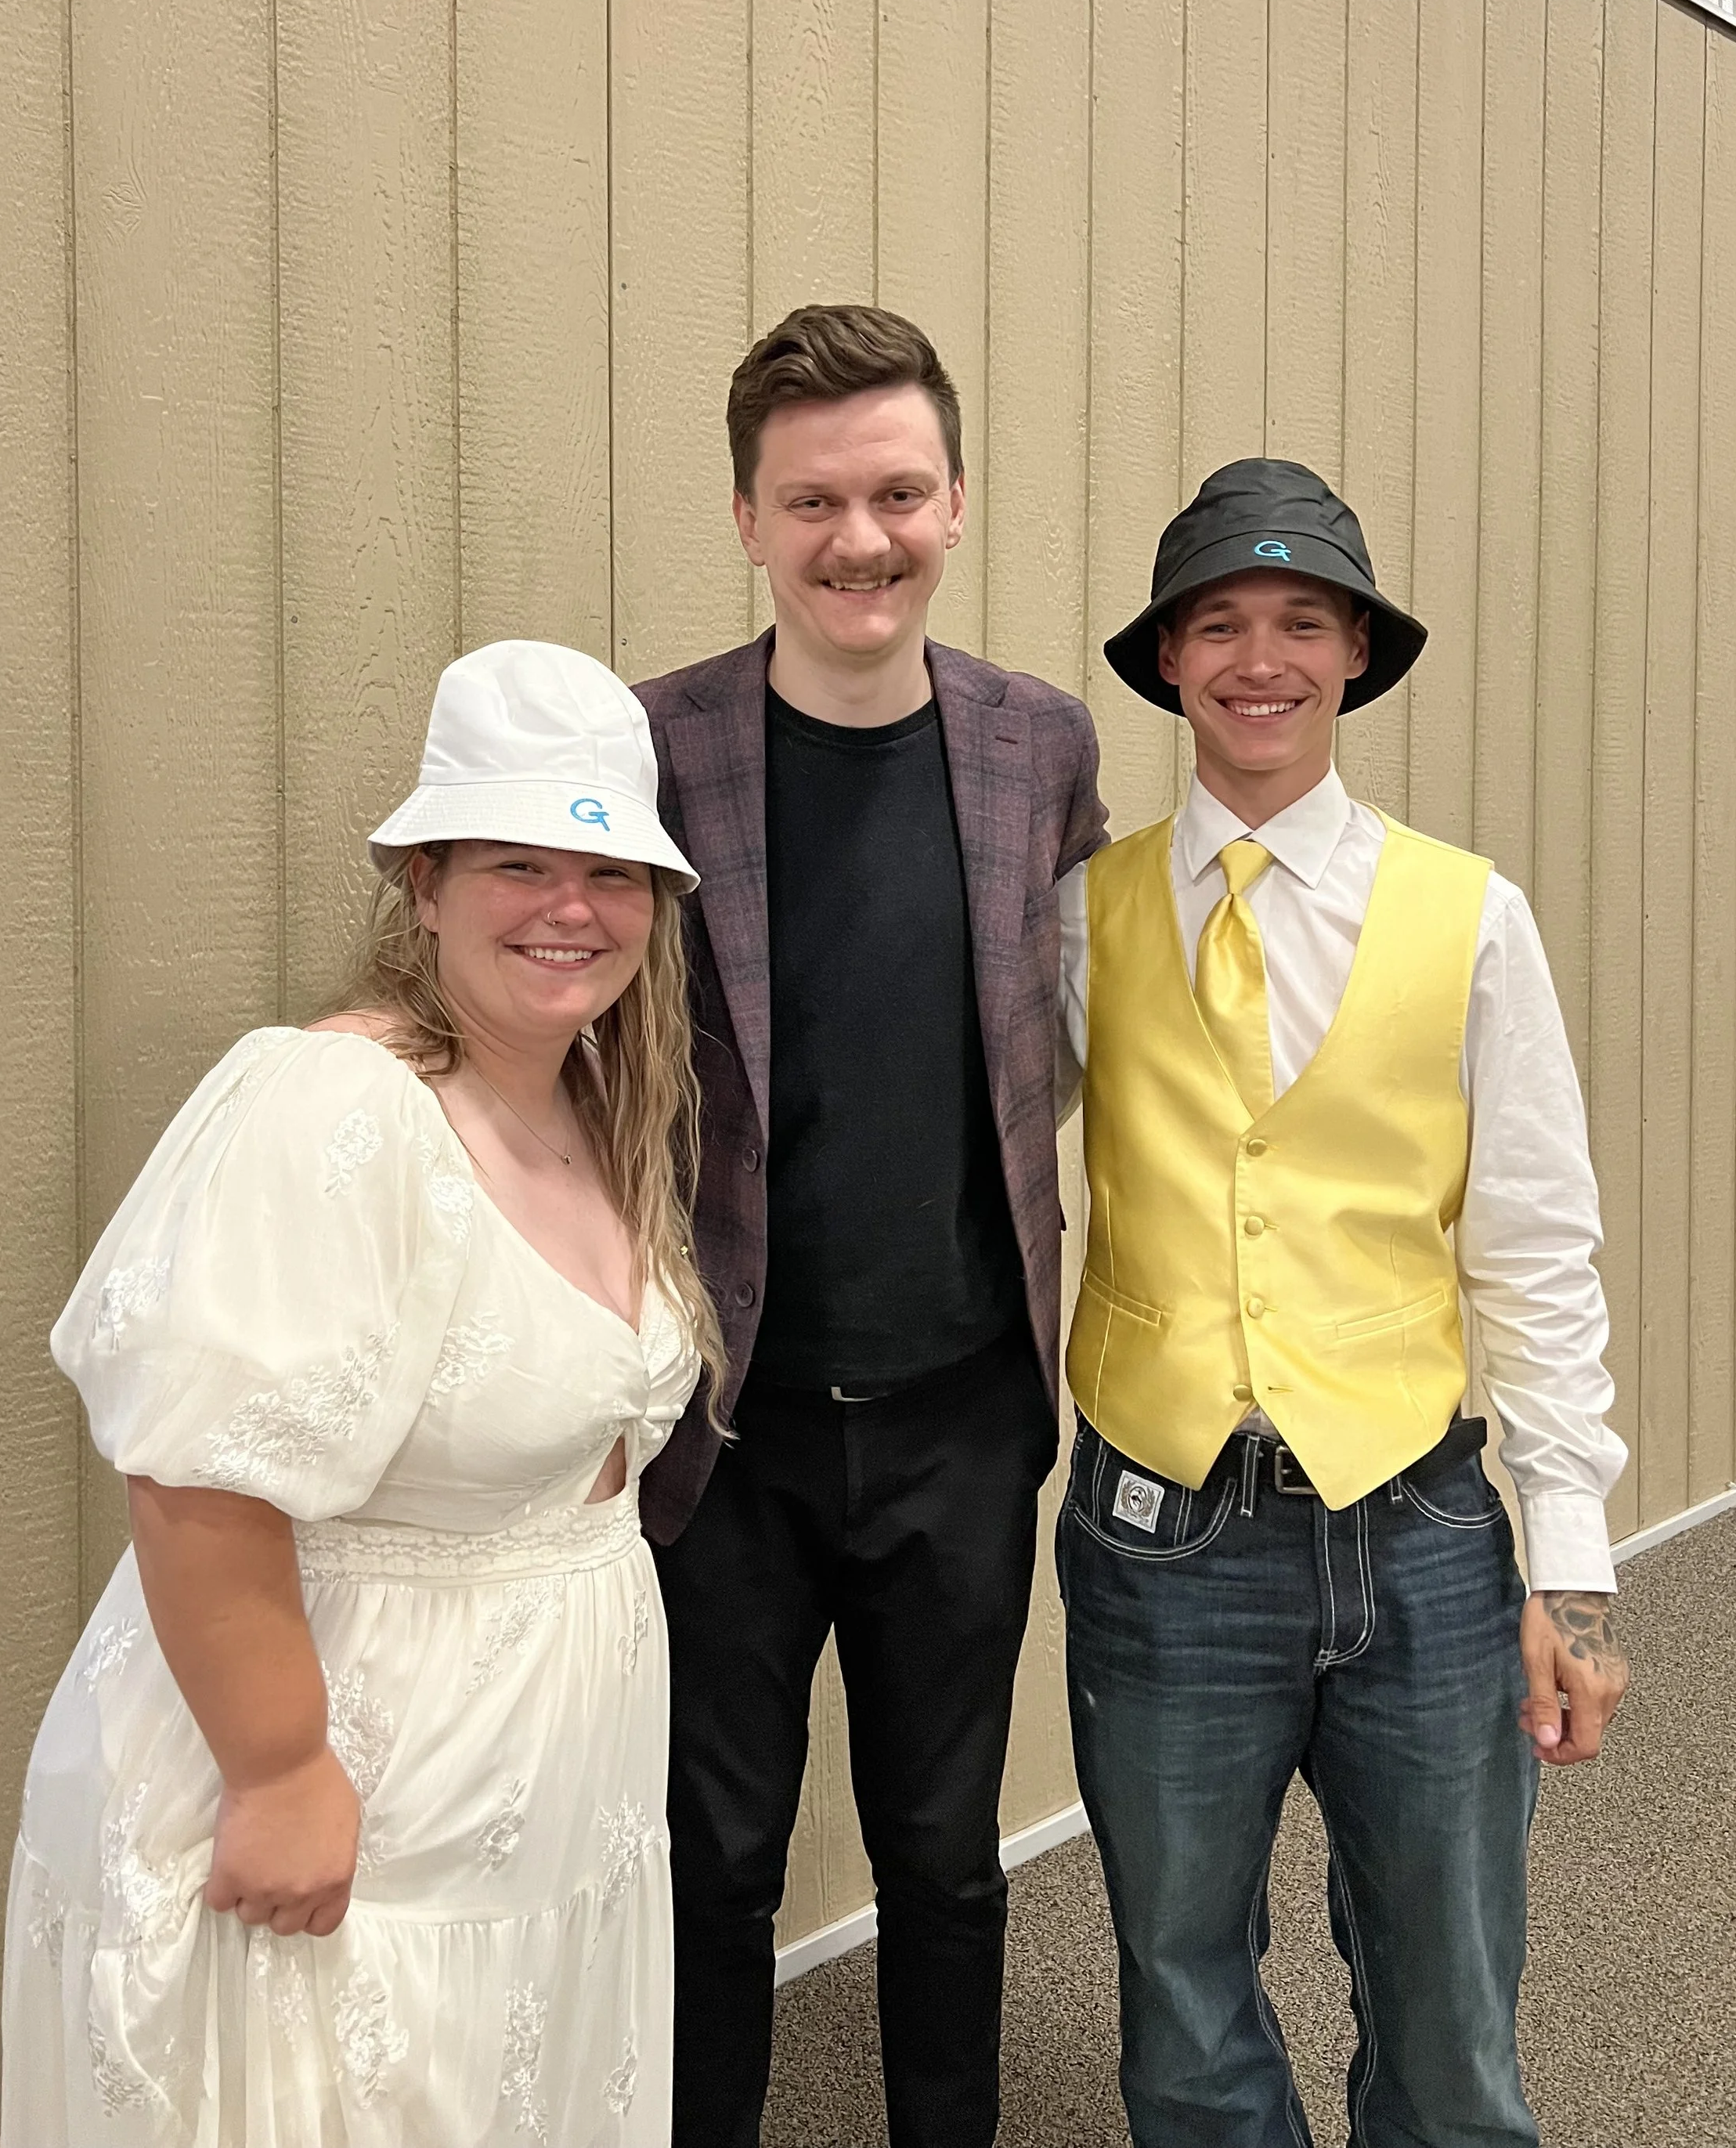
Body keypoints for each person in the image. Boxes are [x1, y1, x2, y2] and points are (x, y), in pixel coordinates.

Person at [2, 641, 721, 2147]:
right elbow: (198, 1475)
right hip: (356, 1790)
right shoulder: (336, 1104)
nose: (572, 908)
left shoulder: (594, 1096)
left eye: (611, 869)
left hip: (527, 1797)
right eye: (519, 862)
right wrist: (279, 1775)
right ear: (425, 886)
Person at [1056, 460, 1631, 2148]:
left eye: (1301, 620)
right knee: (1177, 1999)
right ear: (1166, 658)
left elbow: (1532, 1242)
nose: (1259, 656)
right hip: (1157, 1535)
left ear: (1354, 655)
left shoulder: (1470, 917)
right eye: (1216, 621)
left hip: (1419, 1532)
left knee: (1450, 2016)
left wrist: (1570, 1566)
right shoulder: (1078, 917)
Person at [633, 302, 1106, 2148]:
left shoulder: (1035, 748)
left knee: (946, 1859)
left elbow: (1044, 1048)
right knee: (714, 1862)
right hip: (723, 1429)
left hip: (961, 1412)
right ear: (748, 516)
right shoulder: (656, 747)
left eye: (896, 492)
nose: (860, 538)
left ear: (956, 502)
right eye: (812, 498)